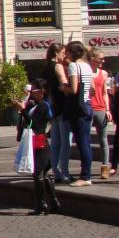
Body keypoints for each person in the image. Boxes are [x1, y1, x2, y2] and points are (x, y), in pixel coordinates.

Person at [18, 79, 60, 216]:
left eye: (34, 91)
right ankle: (53, 202)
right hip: (35, 138)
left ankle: (42, 203)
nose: (32, 93)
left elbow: (33, 123)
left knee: (38, 173)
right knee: (42, 173)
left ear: (42, 92)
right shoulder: (36, 105)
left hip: (39, 139)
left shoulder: (43, 106)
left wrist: (22, 110)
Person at [63, 41, 95, 187]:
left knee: (82, 143)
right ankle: (86, 173)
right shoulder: (87, 66)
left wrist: (63, 87)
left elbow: (74, 89)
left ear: (72, 53)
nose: (66, 54)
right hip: (88, 105)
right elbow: (93, 89)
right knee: (86, 142)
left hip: (78, 108)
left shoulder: (73, 66)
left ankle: (85, 176)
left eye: (67, 51)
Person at [44, 42, 72, 184]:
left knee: (55, 141)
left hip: (52, 106)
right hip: (61, 105)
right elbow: (63, 83)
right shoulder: (58, 66)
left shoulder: (47, 66)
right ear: (57, 53)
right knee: (65, 141)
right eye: (62, 52)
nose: (64, 54)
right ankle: (64, 172)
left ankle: (56, 171)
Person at [88, 49, 112, 179]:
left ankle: (105, 167)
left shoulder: (103, 73)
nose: (103, 61)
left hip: (100, 108)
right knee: (86, 140)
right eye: (100, 58)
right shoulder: (86, 71)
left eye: (103, 58)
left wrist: (107, 109)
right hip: (88, 108)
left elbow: (104, 93)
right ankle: (86, 167)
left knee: (103, 140)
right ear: (92, 59)